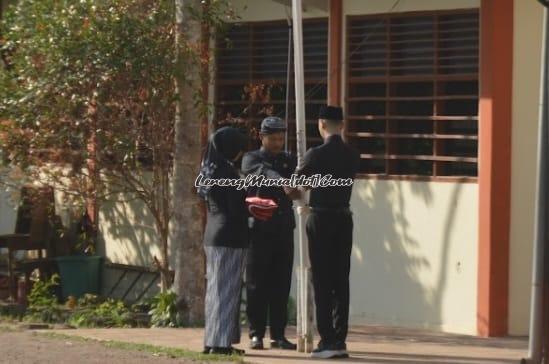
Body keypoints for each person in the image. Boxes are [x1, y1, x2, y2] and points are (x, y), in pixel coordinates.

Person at [294, 106, 360, 359]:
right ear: (341, 125)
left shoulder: (315, 154)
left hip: (320, 217)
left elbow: (297, 184)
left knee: (321, 280)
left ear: (321, 124)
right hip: (344, 217)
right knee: (341, 279)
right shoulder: (353, 155)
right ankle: (340, 339)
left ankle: (327, 340)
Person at [241, 116, 299, 350]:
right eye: (273, 139)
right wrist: (283, 183)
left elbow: (300, 174)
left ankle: (278, 334)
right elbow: (263, 173)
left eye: (281, 139)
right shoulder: (251, 159)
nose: (278, 143)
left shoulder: (288, 159)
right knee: (256, 283)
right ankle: (256, 334)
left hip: (283, 229)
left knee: (281, 283)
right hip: (259, 230)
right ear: (262, 137)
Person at [200, 126, 249, 356]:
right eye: (238, 149)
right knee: (227, 291)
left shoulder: (208, 170)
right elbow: (236, 208)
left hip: (212, 234)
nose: (240, 154)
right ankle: (221, 344)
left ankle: (213, 341)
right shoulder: (227, 173)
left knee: (214, 291)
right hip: (230, 236)